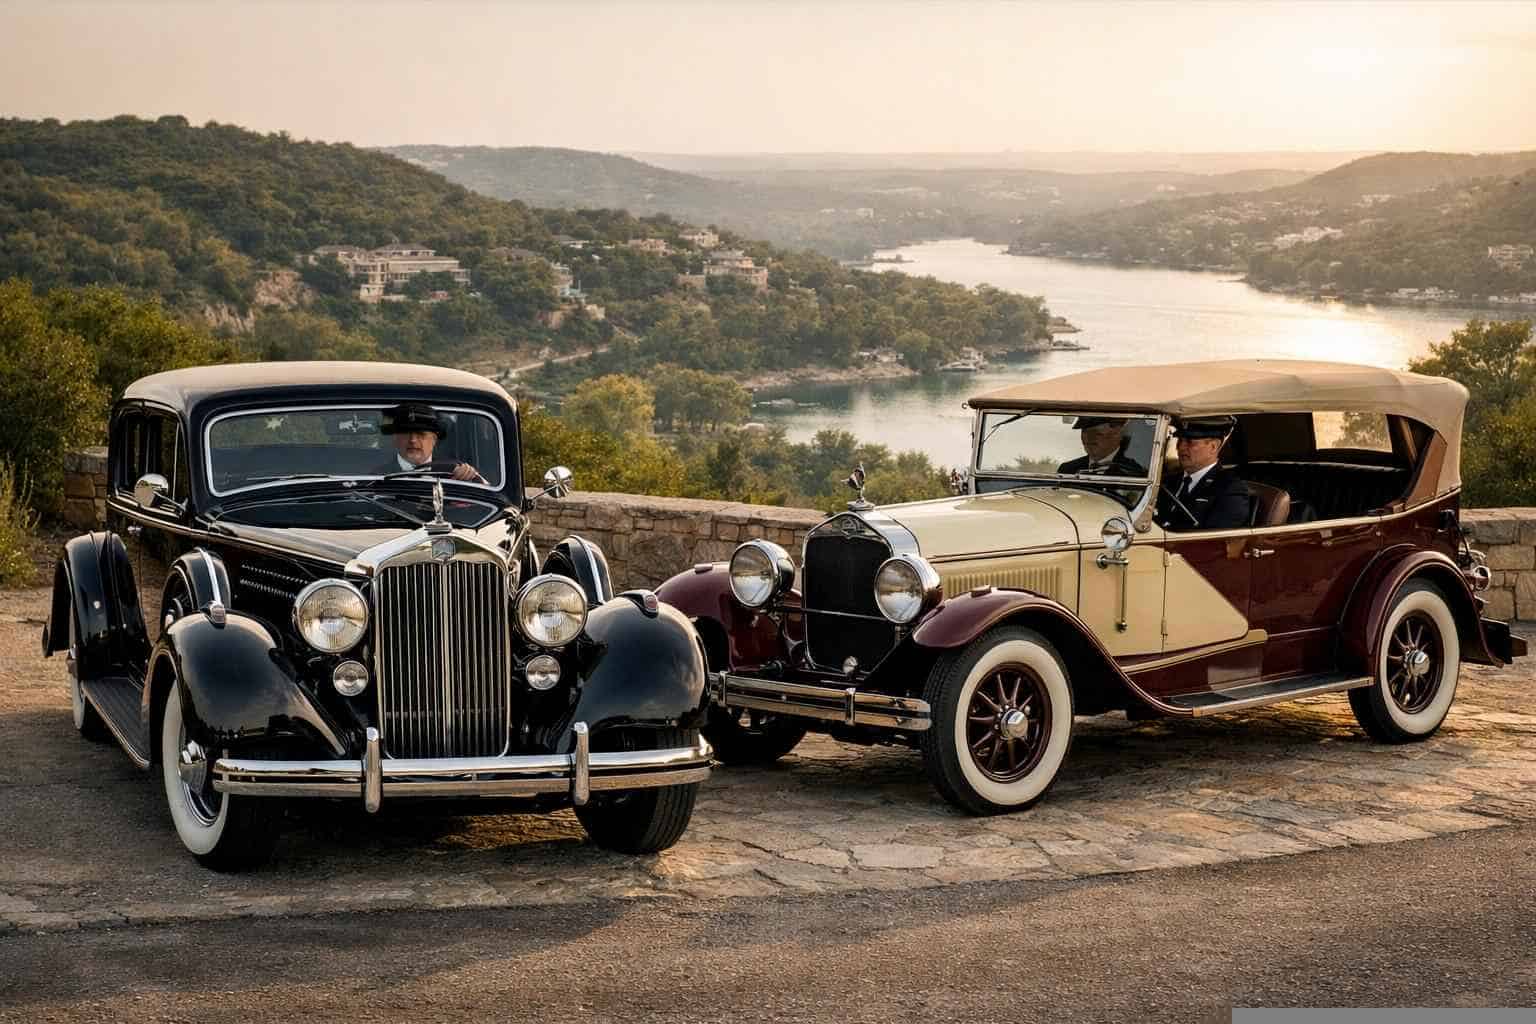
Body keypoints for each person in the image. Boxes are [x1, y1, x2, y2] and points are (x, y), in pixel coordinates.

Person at [1155, 415, 1250, 530]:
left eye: (1190, 442)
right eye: (1180, 441)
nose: (1181, 448)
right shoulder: (1166, 482)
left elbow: (1215, 539)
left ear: (1213, 447)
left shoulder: (1230, 489)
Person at [377, 402, 481, 482]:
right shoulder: (378, 477)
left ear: (434, 440)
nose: (413, 440)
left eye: (421, 434)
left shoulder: (453, 471)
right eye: (406, 433)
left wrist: (469, 476)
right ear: (395, 439)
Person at [1057, 416, 1147, 477]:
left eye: (1096, 433)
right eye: (1084, 432)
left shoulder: (1134, 473)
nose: (1088, 438)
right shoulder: (1067, 470)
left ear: (1116, 434)